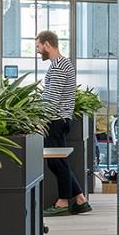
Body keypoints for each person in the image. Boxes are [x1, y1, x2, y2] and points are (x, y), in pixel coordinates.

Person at [36, 29, 91, 216]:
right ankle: (80, 199)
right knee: (58, 161)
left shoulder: (59, 66)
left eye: (38, 46)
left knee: (57, 162)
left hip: (55, 120)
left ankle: (63, 202)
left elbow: (52, 98)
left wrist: (39, 120)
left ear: (47, 44)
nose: (38, 51)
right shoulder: (60, 64)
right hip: (59, 119)